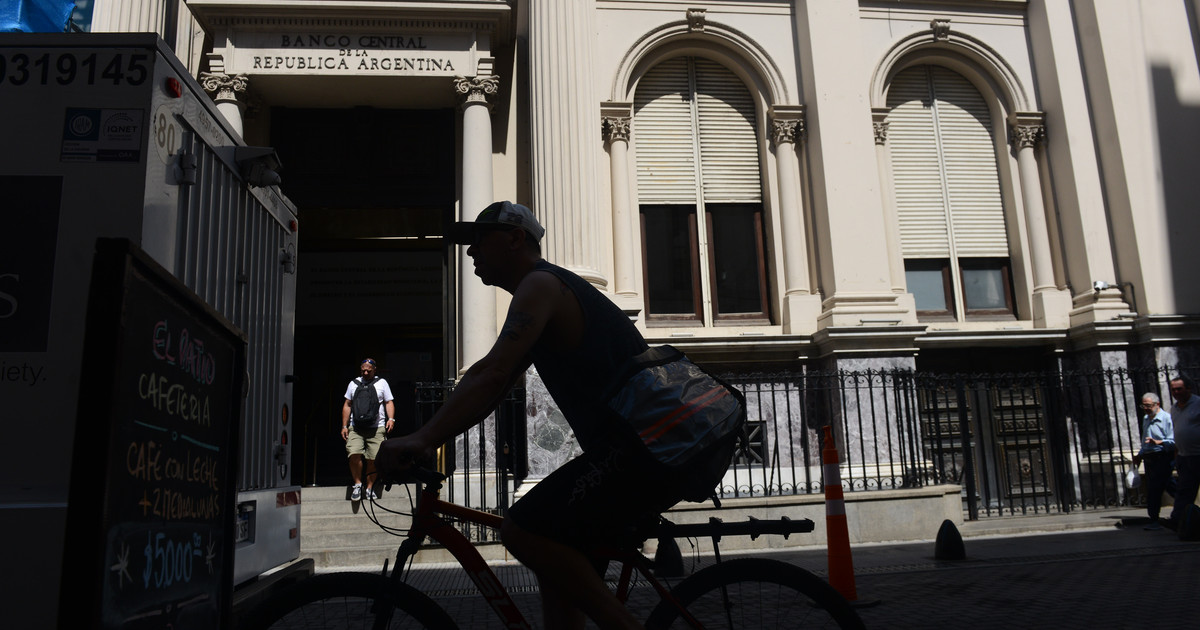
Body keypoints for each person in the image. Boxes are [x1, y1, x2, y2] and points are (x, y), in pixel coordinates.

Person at [376, 201, 712, 629]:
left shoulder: (541, 285)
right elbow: (490, 379)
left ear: (515, 239)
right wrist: (431, 437)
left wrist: (422, 438)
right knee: (556, 567)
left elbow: (493, 374)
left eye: (480, 240)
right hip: (638, 448)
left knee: (522, 530)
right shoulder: (543, 289)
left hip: (642, 450)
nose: (470, 251)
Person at [341, 358, 396, 501]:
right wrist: (344, 426)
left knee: (374, 458)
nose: (365, 373)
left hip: (376, 427)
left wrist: (391, 419)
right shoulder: (353, 384)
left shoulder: (382, 383)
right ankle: (358, 484)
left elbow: (388, 402)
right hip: (356, 427)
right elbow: (347, 404)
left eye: (368, 371)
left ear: (374, 370)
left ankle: (370, 487)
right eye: (363, 371)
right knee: (354, 454)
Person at [1131, 392, 1174, 530]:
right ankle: (1155, 519)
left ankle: (1157, 519)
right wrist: (1140, 455)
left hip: (1162, 456)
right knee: (1158, 487)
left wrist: (1159, 442)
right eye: (1143, 406)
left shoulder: (1166, 419)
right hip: (1149, 458)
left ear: (1157, 404)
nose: (1146, 408)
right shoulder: (1146, 419)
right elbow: (1145, 440)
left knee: (1160, 487)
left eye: (1148, 406)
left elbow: (1173, 440)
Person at [1166, 376, 1200, 532]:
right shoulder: (1174, 409)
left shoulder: (1198, 404)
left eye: (1179, 389)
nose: (1176, 392)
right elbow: (1177, 432)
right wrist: (1177, 455)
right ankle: (1177, 520)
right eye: (1173, 390)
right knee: (1184, 491)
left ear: (1188, 388)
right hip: (1184, 457)